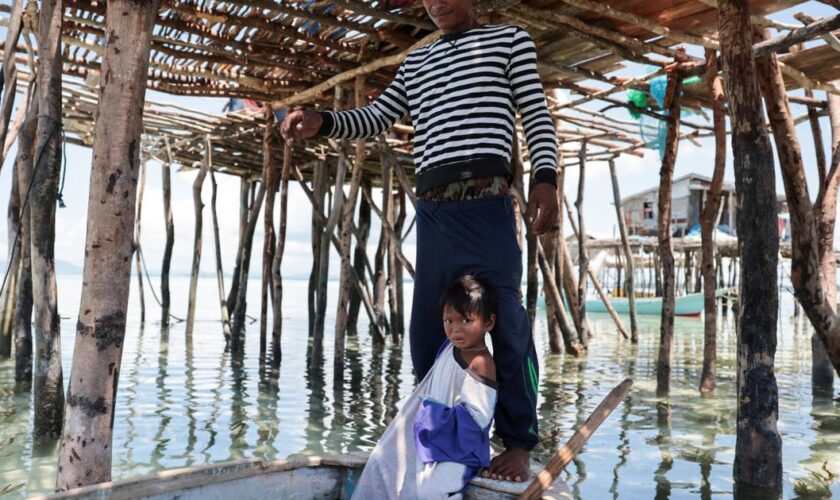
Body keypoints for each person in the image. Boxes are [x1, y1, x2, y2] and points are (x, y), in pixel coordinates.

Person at [280, 0, 559, 482]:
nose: (437, 3)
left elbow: (535, 114)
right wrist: (322, 120)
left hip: (488, 207)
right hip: (433, 214)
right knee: (430, 334)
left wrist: (546, 178)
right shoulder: (416, 60)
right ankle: (440, 435)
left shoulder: (510, 41)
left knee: (509, 327)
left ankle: (517, 443)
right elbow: (376, 116)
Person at [352, 275, 498, 498]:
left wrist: (433, 420)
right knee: (383, 460)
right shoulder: (452, 348)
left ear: (488, 323)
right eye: (448, 321)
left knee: (431, 489)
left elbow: (478, 419)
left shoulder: (480, 362)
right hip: (436, 437)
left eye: (465, 321)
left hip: (459, 450)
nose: (455, 329)